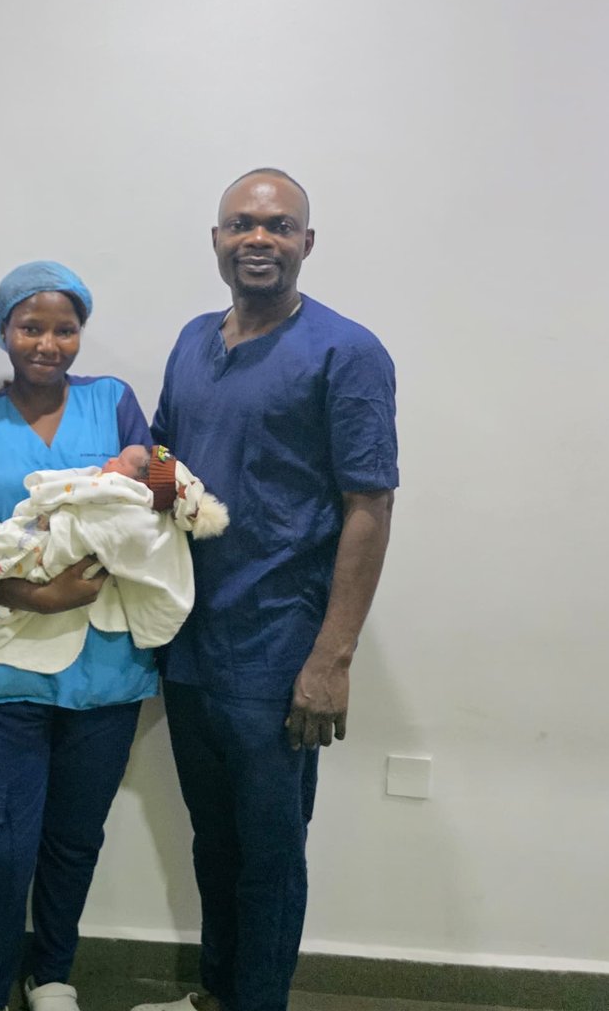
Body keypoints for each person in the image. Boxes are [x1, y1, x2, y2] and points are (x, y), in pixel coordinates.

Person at [134, 169, 398, 1011]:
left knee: (271, 856)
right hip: (191, 645)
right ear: (216, 240)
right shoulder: (191, 342)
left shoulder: (347, 353)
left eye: (280, 226)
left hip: (277, 654)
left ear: (306, 243)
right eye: (242, 224)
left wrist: (332, 659)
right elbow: (169, 458)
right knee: (214, 844)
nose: (259, 238)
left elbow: (369, 506)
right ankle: (217, 995)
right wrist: (127, 480)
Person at [0, 261, 160, 1011]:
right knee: (1, 847)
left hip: (106, 664)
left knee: (75, 838)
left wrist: (153, 476)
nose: (48, 343)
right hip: (6, 662)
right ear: (5, 332)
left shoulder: (113, 402)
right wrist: (40, 594)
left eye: (65, 329)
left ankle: (52, 973)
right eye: (31, 327)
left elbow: (156, 497)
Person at [0, 443, 229, 676]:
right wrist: (37, 597)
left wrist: (62, 522)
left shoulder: (129, 508)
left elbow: (108, 533)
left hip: (104, 668)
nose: (110, 460)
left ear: (138, 484)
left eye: (120, 461)